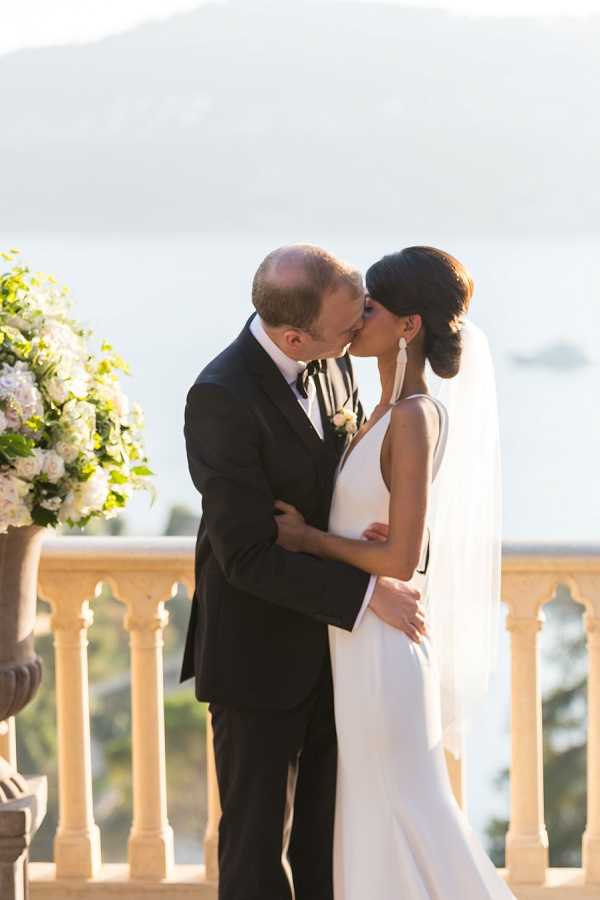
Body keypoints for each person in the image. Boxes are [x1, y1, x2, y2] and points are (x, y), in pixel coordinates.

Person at [179, 244, 427, 900]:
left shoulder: (332, 365)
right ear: (294, 336)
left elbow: (330, 489)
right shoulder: (219, 397)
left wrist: (363, 536)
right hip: (256, 659)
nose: (357, 337)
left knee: (326, 847)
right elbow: (247, 557)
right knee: (255, 853)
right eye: (348, 329)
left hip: (334, 657)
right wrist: (367, 591)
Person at [275, 246, 513, 899]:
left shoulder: (411, 417)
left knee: (406, 810)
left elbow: (400, 559)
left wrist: (311, 539)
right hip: (358, 643)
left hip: (382, 653)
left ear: (408, 326)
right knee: (375, 812)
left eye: (371, 306)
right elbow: (405, 538)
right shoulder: (377, 407)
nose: (357, 316)